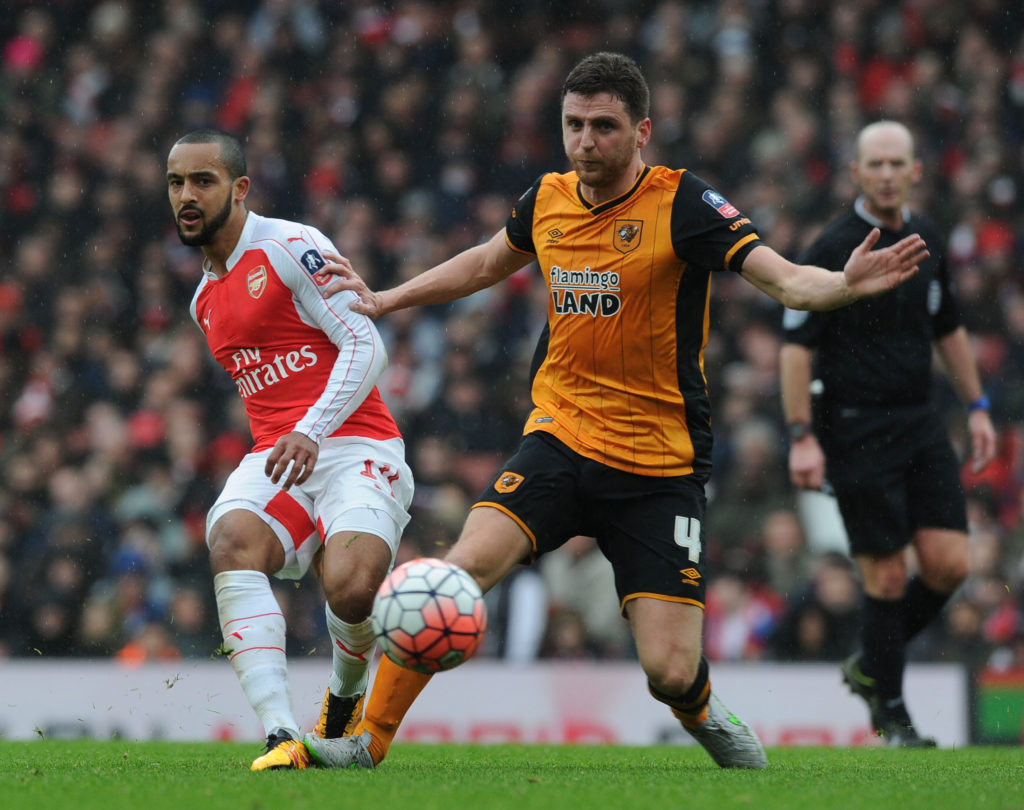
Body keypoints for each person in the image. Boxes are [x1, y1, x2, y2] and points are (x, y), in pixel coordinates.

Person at [304, 53, 928, 771]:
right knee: (458, 572)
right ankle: (367, 743)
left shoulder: (683, 205)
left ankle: (701, 710)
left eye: (604, 126)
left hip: (658, 468)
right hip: (559, 439)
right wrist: (387, 300)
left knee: (668, 672)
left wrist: (844, 286)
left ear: (642, 132)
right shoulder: (547, 199)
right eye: (574, 125)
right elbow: (482, 263)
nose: (585, 141)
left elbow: (787, 282)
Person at [166, 130, 414, 770]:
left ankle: (345, 694)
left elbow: (366, 345)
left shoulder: (290, 246)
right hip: (281, 453)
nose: (186, 197)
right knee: (230, 542)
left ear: (240, 188)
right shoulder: (203, 301)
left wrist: (311, 427)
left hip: (356, 442)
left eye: (203, 181)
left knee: (353, 590)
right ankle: (280, 735)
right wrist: (293, 436)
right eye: (176, 183)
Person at [779, 120, 998, 746]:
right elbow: (797, 349)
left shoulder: (928, 237)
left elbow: (948, 326)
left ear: (915, 171)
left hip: (920, 421)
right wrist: (800, 435)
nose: (885, 173)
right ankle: (893, 714)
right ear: (854, 171)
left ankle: (873, 662)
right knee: (887, 577)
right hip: (854, 428)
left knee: (951, 564)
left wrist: (978, 404)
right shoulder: (830, 246)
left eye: (896, 163)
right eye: (873, 163)